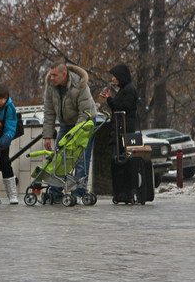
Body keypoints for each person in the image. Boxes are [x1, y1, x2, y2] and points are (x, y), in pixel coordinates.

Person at [43, 61, 97, 200]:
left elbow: (85, 113)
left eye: (55, 75)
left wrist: (75, 134)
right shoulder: (51, 87)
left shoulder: (80, 85)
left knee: (80, 157)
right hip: (66, 123)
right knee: (59, 156)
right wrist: (47, 136)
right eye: (51, 74)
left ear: (64, 74)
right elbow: (49, 112)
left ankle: (79, 192)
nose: (52, 78)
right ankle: (56, 191)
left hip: (84, 122)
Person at [99, 63, 138, 156]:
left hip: (123, 132)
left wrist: (109, 100)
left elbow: (121, 107)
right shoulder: (126, 89)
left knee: (120, 158)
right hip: (121, 130)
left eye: (114, 76)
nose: (113, 79)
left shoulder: (128, 90)